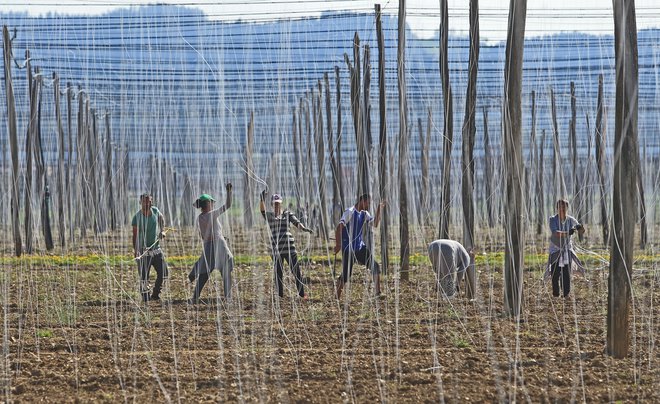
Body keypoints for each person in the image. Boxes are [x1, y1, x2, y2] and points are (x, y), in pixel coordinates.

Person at [260, 191, 313, 299]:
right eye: (275, 203)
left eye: (278, 203)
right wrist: (261, 199)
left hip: (290, 248)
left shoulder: (287, 214)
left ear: (281, 203)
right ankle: (280, 295)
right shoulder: (270, 216)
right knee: (278, 273)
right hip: (277, 249)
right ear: (271, 204)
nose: (276, 205)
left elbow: (296, 222)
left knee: (296, 271)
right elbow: (262, 211)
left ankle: (302, 294)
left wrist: (303, 228)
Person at [188, 183, 234, 304]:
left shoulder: (200, 218)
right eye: (211, 202)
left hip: (208, 247)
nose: (213, 204)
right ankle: (228, 298)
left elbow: (203, 235)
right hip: (219, 245)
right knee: (226, 271)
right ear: (208, 204)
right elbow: (228, 205)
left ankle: (194, 297)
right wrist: (229, 191)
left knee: (204, 273)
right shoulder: (212, 214)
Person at [334, 194, 383, 299]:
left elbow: (374, 224)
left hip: (360, 247)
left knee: (375, 267)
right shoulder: (350, 212)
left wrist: (379, 210)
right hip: (348, 249)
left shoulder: (365, 214)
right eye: (368, 203)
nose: (368, 205)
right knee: (346, 275)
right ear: (362, 201)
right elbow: (339, 227)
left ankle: (378, 293)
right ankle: (336, 297)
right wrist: (338, 244)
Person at [546, 199, 586, 298]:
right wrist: (567, 233)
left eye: (564, 207)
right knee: (555, 273)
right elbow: (555, 232)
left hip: (567, 249)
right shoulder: (552, 219)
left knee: (566, 273)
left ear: (567, 208)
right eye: (560, 207)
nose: (562, 209)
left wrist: (581, 228)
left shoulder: (571, 219)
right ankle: (556, 294)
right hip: (555, 249)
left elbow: (581, 230)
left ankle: (566, 294)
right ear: (557, 208)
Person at [131, 193, 168, 302]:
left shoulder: (155, 211)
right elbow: (135, 235)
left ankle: (156, 294)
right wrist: (136, 250)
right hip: (144, 251)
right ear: (140, 203)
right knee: (144, 277)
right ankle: (145, 298)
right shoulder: (137, 217)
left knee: (164, 273)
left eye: (149, 201)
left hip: (156, 250)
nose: (148, 203)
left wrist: (162, 231)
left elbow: (161, 219)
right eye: (145, 201)